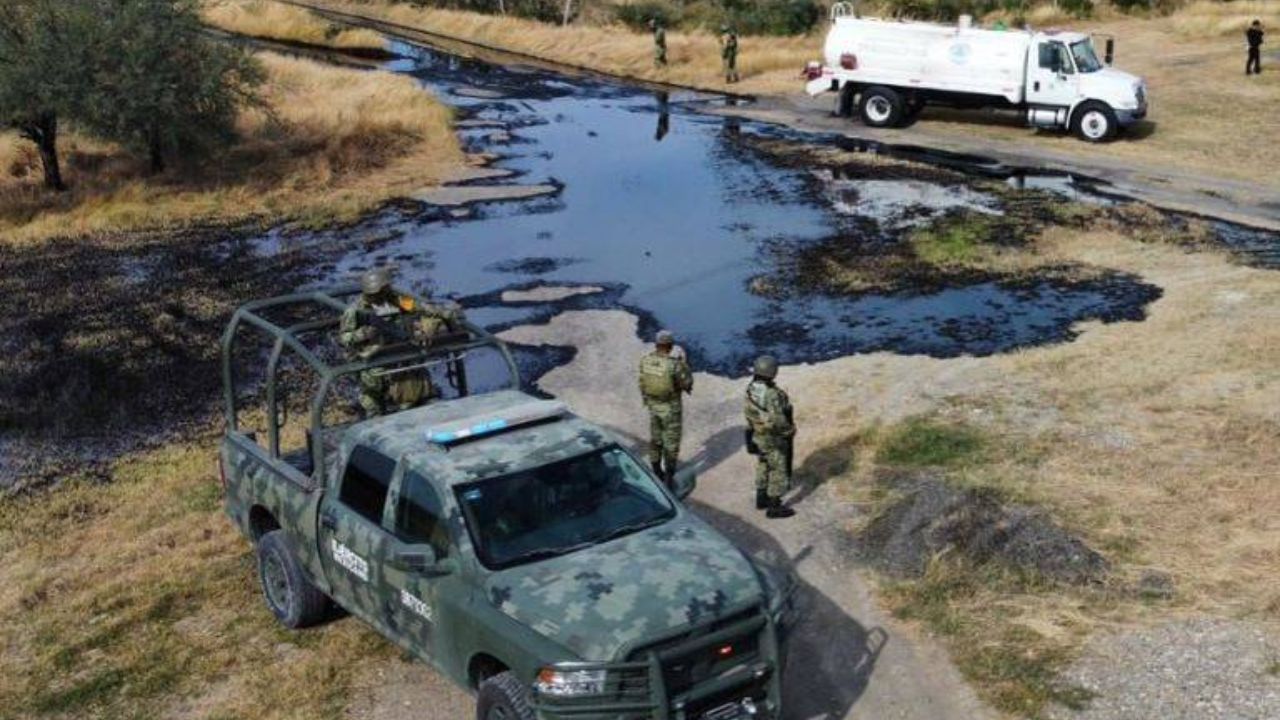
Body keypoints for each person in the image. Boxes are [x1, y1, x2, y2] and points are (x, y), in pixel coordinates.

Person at [339, 268, 460, 417]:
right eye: (378, 292)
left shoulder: (395, 300)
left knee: (414, 390)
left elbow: (415, 305)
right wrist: (363, 334)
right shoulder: (354, 311)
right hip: (372, 358)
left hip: (398, 352)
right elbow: (343, 338)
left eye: (384, 290)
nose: (382, 295)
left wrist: (437, 311)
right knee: (373, 402)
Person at [638, 330, 693, 486]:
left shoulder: (645, 360)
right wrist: (684, 364)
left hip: (653, 406)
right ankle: (668, 478)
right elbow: (687, 383)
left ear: (657, 344)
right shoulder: (674, 364)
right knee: (671, 443)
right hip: (671, 408)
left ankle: (656, 471)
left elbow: (642, 382)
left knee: (656, 439)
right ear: (669, 346)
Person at [744, 355, 795, 519]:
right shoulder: (771, 393)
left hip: (757, 433)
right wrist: (789, 431)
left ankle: (761, 497)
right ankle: (774, 507)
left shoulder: (751, 387)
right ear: (772, 371)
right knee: (778, 468)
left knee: (763, 463)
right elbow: (778, 418)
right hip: (772, 436)